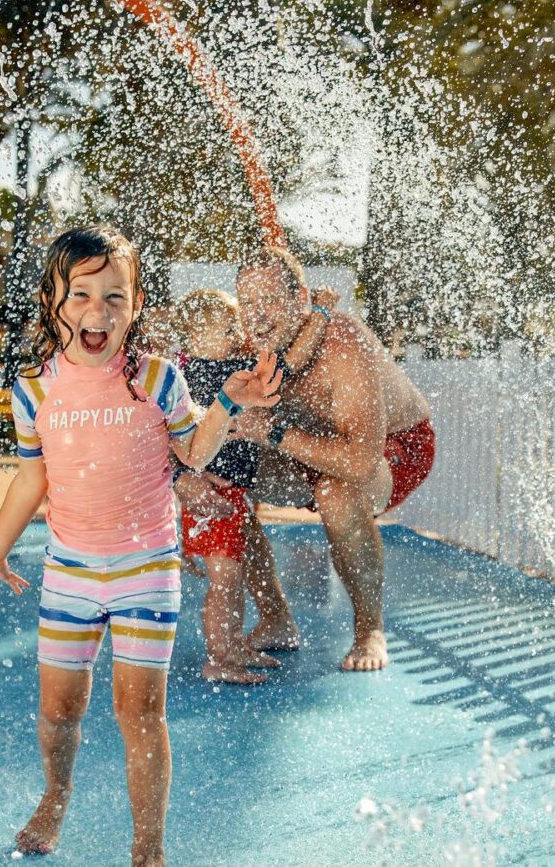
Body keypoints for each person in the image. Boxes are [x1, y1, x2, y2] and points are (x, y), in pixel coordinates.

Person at [0, 226, 280, 865]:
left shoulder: (156, 379)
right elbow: (32, 477)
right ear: (52, 302)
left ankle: (148, 846)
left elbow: (191, 452)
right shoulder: (34, 390)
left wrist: (224, 402)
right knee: (59, 711)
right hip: (70, 570)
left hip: (147, 567)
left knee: (140, 711)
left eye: (115, 296)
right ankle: (55, 798)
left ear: (135, 304)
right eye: (80, 295)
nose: (98, 311)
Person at [183, 246, 434, 672]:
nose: (257, 315)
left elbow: (359, 461)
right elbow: (185, 411)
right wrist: (184, 480)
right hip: (299, 447)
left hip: (390, 451)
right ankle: (276, 617)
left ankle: (369, 628)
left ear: (301, 297)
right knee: (226, 483)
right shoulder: (246, 339)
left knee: (337, 492)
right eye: (248, 303)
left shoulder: (343, 344)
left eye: (270, 301)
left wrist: (274, 432)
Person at [168, 289, 281, 685]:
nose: (237, 334)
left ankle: (232, 644)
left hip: (229, 491)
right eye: (226, 328)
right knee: (224, 579)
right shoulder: (195, 374)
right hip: (210, 493)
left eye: (236, 325)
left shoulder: (226, 366)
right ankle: (218, 657)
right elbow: (184, 434)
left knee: (233, 574)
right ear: (194, 338)